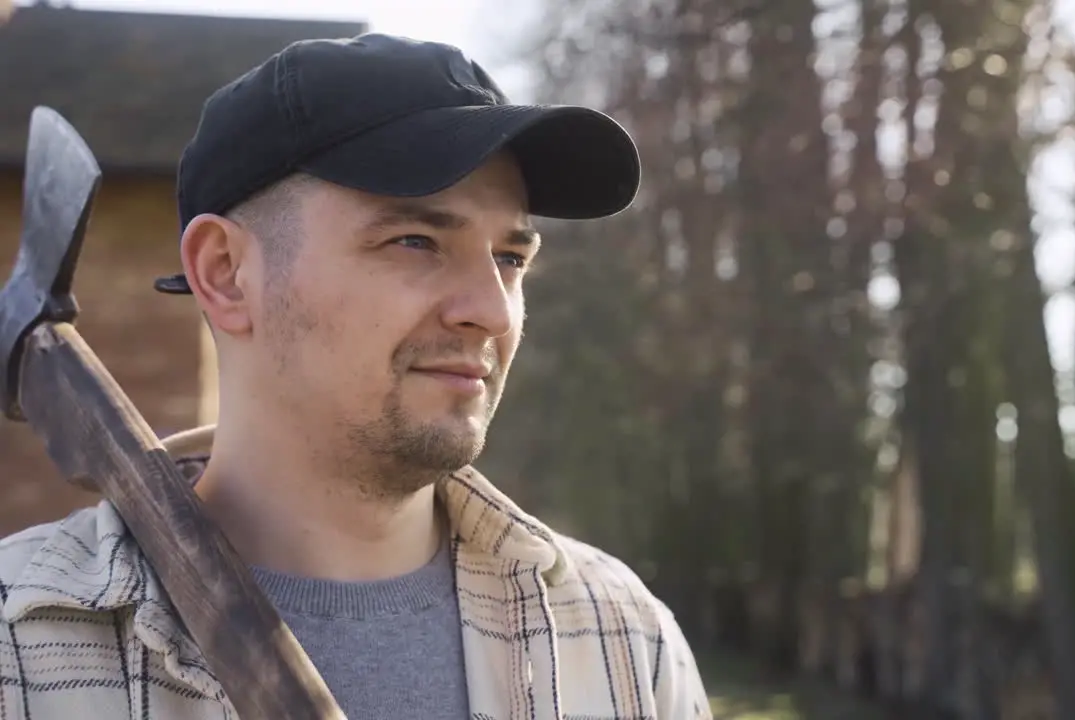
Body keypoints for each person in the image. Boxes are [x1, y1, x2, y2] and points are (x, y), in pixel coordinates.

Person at [0, 33, 711, 719]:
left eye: (509, 258)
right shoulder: (18, 652)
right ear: (226, 273)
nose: (492, 313)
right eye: (415, 241)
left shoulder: (622, 640)